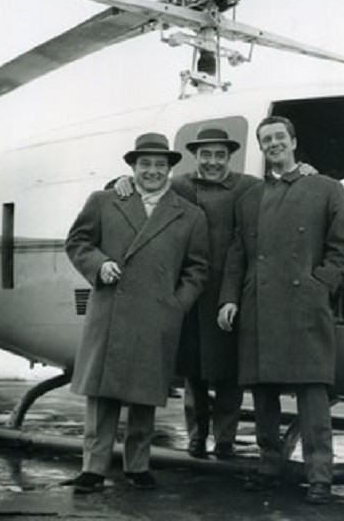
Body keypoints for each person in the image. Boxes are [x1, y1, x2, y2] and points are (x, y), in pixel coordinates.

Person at [113, 124, 315, 460]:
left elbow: (285, 187)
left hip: (229, 292)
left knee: (229, 373)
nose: (212, 162)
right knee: (192, 371)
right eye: (205, 155)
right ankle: (196, 436)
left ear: (230, 158)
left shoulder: (248, 186)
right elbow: (144, 187)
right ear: (195, 157)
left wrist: (305, 172)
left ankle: (225, 439)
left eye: (220, 155)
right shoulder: (178, 186)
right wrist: (121, 182)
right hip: (190, 289)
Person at [218, 115, 344, 504]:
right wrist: (229, 298)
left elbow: (342, 248)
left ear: (293, 141)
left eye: (280, 137)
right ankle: (269, 466)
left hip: (304, 306)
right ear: (260, 148)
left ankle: (320, 477)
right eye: (266, 140)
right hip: (258, 305)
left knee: (313, 396)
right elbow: (237, 254)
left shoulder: (327, 189)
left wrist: (319, 286)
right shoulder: (249, 199)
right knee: (263, 396)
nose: (273, 144)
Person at [65, 132, 208, 493]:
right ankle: (93, 468)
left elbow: (198, 269)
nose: (152, 171)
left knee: (145, 394)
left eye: (160, 165)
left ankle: (138, 465)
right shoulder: (103, 201)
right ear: (132, 167)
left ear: (170, 170)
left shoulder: (189, 215)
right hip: (111, 310)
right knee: (103, 396)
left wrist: (176, 305)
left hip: (157, 314)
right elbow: (78, 242)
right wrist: (98, 265)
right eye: (145, 164)